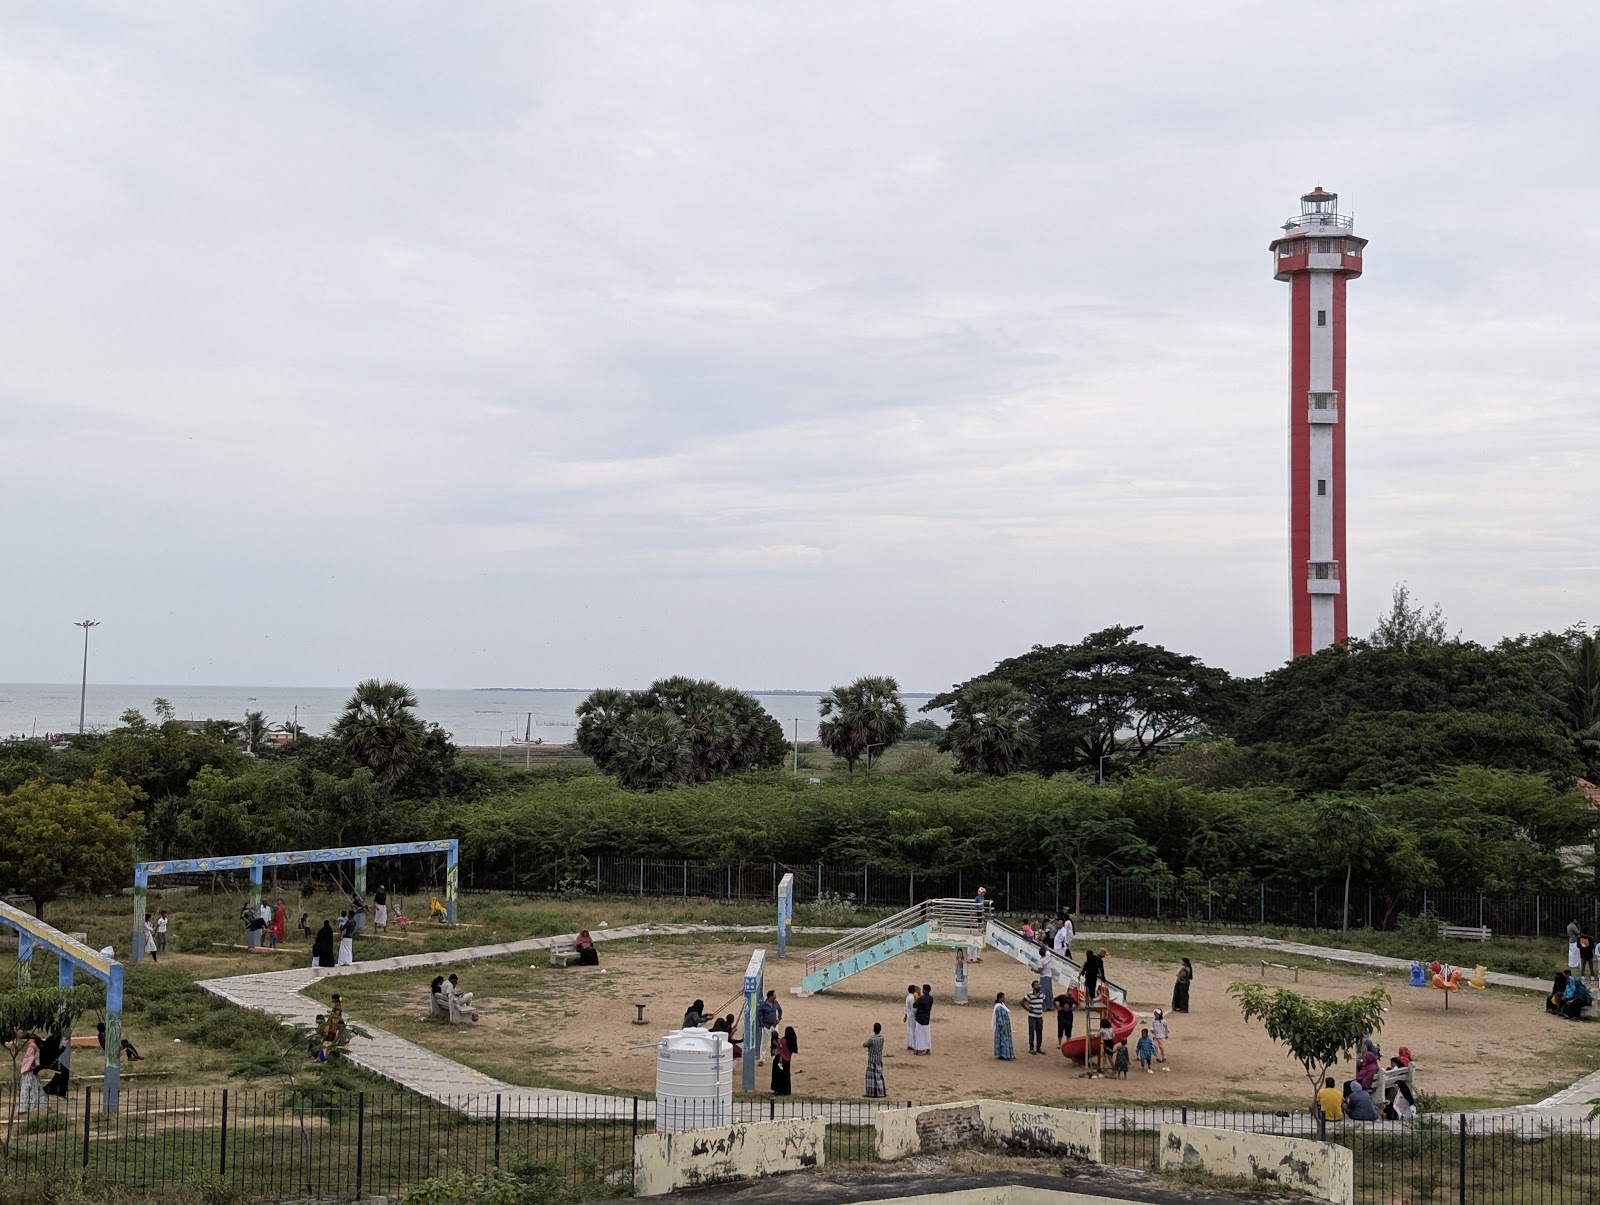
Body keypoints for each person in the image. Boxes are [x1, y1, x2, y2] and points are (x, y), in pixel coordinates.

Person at [17, 1030, 47, 1113]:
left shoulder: (30, 1052)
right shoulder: (31, 1050)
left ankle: (34, 1106)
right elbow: (31, 1058)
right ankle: (28, 1106)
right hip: (29, 1073)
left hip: (29, 1073)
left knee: (35, 1089)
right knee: (32, 1089)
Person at [758, 990, 783, 1063]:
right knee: (764, 1042)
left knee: (775, 1041)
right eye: (774, 995)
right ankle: (762, 1059)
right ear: (770, 996)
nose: (775, 996)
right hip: (766, 1026)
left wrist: (779, 1018)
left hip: (774, 1025)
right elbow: (760, 1015)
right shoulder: (763, 1005)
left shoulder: (775, 1003)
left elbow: (780, 1010)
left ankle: (774, 1057)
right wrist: (762, 1025)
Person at [771, 1026, 796, 1095]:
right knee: (786, 1075)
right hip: (787, 1060)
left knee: (778, 1075)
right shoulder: (793, 1042)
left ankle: (778, 1090)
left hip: (780, 1059)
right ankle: (786, 1091)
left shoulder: (783, 1040)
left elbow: (776, 1046)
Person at [1022, 980, 1045, 1054]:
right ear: (1033, 987)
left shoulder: (1042, 995)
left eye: (1038, 985)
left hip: (1039, 1016)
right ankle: (1031, 1048)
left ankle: (1038, 1047)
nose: (1038, 986)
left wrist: (1043, 1008)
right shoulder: (1029, 995)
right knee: (1032, 1032)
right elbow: (1022, 1002)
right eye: (1036, 985)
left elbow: (1044, 1001)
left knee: (1039, 1032)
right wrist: (1028, 1009)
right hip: (1032, 1016)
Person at [864, 1022, 886, 1098]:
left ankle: (871, 1093)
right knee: (879, 1077)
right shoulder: (882, 1038)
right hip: (879, 1060)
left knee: (871, 1078)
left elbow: (865, 1044)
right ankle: (881, 1092)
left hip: (872, 1060)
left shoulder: (872, 1039)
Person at [992, 992, 1016, 1059]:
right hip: (1002, 1027)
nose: (1004, 998)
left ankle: (1008, 1054)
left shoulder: (1002, 1005)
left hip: (1006, 1025)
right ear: (999, 998)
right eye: (1003, 997)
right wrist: (1002, 1026)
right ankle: (1004, 1055)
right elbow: (999, 1018)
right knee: (1003, 1040)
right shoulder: (998, 1008)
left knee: (1006, 1039)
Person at [912, 984, 934, 1055]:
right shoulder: (931, 998)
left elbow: (914, 1005)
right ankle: (928, 1049)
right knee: (927, 1034)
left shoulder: (921, 999)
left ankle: (920, 1049)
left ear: (925, 990)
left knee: (919, 1034)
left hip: (920, 1018)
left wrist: (917, 997)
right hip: (927, 1017)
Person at [903, 985, 918, 1051]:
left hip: (909, 1015)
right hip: (912, 1015)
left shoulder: (908, 997)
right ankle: (913, 1045)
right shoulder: (912, 998)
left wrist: (905, 1015)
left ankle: (909, 1044)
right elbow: (913, 1008)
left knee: (909, 1029)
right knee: (913, 1030)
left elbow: (906, 1008)